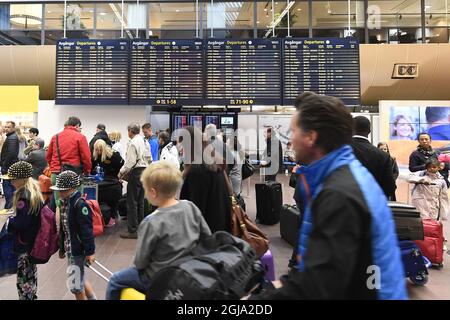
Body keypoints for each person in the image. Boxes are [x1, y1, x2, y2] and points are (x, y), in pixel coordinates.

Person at [250, 92, 406, 300]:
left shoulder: (340, 195)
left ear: (311, 137)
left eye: (294, 131)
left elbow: (316, 288)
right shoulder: (344, 177)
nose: (292, 139)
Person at [105, 161, 211, 300]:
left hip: (158, 277)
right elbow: (207, 237)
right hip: (188, 271)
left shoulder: (151, 222)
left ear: (153, 193)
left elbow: (140, 262)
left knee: (115, 280)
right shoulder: (190, 206)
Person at [50, 170, 96, 300]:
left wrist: (90, 252)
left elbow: (87, 231)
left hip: (78, 250)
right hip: (70, 248)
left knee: (75, 285)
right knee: (79, 277)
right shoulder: (64, 202)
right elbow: (64, 229)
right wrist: (62, 248)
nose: (59, 192)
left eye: (62, 190)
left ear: (72, 188)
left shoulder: (80, 205)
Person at [179, 126, 232, 233]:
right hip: (220, 228)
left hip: (206, 234)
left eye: (183, 146)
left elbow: (196, 209)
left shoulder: (198, 171)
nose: (181, 150)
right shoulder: (214, 164)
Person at [2, 161, 43, 300]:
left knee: (24, 282)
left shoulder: (23, 197)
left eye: (13, 179)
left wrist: (9, 222)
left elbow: (21, 223)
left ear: (21, 179)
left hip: (25, 245)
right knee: (30, 278)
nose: (12, 182)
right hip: (32, 242)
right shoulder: (33, 193)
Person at [351, 116, 396, 200]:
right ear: (369, 131)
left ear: (351, 129)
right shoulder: (383, 156)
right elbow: (390, 188)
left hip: (345, 205)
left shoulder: (338, 151)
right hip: (372, 204)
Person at [118, 123, 148, 239]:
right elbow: (149, 157)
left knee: (132, 202)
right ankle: (141, 227)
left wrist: (120, 172)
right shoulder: (144, 141)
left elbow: (130, 162)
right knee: (140, 201)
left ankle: (132, 230)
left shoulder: (133, 143)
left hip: (136, 173)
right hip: (145, 171)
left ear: (130, 131)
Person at [46, 116, 92, 183]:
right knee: (76, 193)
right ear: (77, 125)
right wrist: (87, 171)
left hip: (56, 173)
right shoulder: (81, 137)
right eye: (80, 127)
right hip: (73, 174)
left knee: (57, 193)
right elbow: (86, 157)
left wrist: (54, 167)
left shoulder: (55, 137)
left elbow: (48, 156)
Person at [91, 139, 124, 226]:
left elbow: (123, 165)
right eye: (97, 150)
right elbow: (92, 167)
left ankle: (112, 217)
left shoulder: (113, 155)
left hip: (113, 180)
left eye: (100, 149)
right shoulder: (96, 156)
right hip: (103, 180)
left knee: (113, 196)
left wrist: (120, 176)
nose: (99, 152)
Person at [1, 121, 19, 209]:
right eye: (5, 127)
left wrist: (4, 165)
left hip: (8, 167)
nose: (6, 128)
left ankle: (9, 206)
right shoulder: (11, 137)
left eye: (8, 127)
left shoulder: (12, 138)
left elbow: (11, 154)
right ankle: (12, 206)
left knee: (8, 186)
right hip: (10, 166)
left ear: (13, 128)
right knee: (11, 186)